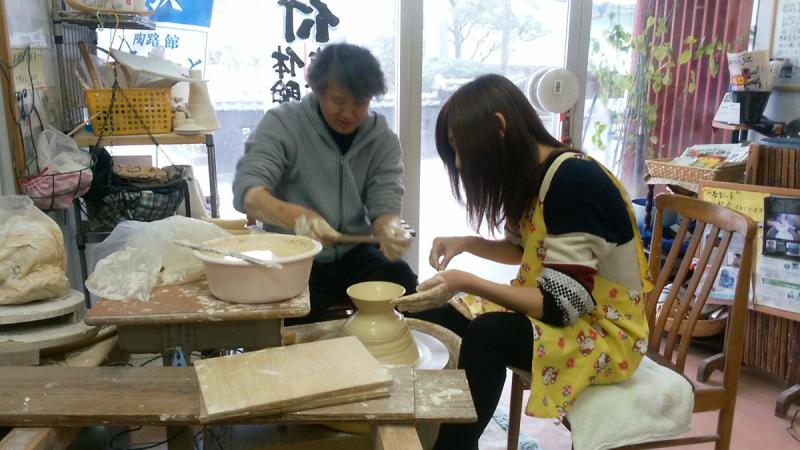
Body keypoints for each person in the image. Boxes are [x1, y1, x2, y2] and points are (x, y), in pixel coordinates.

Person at [395, 74, 652, 449]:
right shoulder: (537, 176)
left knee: (488, 335)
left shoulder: (575, 181)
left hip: (605, 332)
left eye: (462, 148)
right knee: (433, 315)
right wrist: (466, 242)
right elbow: (523, 251)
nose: (461, 162)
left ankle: (453, 447)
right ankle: (421, 426)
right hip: (563, 310)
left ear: (499, 127)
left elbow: (560, 306)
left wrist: (464, 280)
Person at [233, 43, 416, 323]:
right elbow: (248, 191)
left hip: (353, 253)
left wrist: (390, 230)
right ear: (318, 90)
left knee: (403, 285)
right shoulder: (283, 123)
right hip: (295, 255)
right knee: (296, 315)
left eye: (360, 103)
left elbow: (385, 206)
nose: (349, 113)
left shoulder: (382, 139)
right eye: (339, 100)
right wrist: (298, 217)